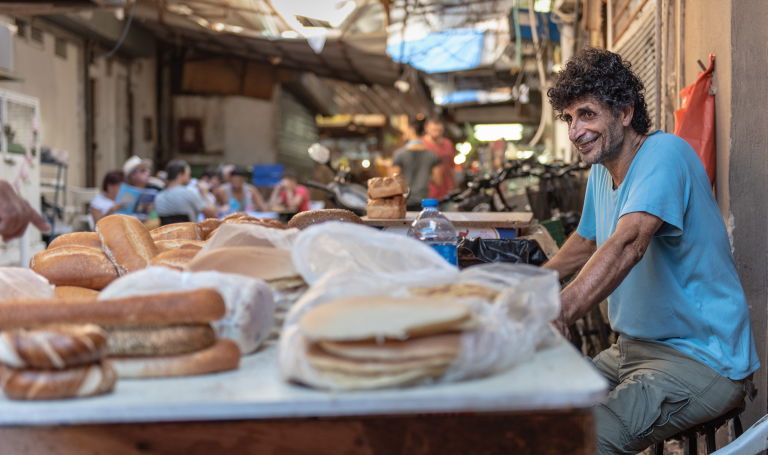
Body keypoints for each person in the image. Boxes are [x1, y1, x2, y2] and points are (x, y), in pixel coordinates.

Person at [542, 48, 758, 455]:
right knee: (533, 408)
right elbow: (587, 240)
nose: (575, 131)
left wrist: (562, 308)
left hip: (699, 359)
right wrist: (533, 285)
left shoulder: (664, 154)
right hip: (631, 350)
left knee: (579, 441)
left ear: (624, 112)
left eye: (586, 114)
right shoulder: (601, 173)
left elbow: (628, 242)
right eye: (569, 119)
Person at [391, 118, 442, 210]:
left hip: (403, 202)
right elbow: (438, 181)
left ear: (411, 130)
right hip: (423, 203)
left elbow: (394, 181)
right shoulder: (432, 155)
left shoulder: (399, 154)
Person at [155, 160, 216, 224]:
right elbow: (212, 215)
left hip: (168, 233)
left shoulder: (159, 196)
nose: (189, 178)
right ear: (180, 175)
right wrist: (205, 193)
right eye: (188, 174)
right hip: (189, 233)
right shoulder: (189, 193)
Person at [421, 117, 456, 200]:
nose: (437, 133)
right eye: (434, 130)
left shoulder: (448, 144)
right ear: (427, 128)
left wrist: (455, 186)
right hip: (428, 193)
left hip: (447, 192)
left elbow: (451, 167)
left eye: (439, 130)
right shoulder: (421, 145)